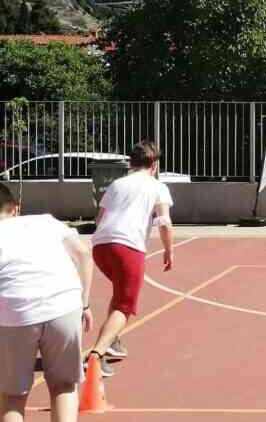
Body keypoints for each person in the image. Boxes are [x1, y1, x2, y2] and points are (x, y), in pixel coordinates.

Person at [0, 182, 94, 422]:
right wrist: (85, 304)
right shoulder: (46, 221)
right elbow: (83, 254)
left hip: (14, 310)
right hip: (63, 303)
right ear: (15, 208)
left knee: (12, 396)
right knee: (64, 386)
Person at [85, 141, 174, 377]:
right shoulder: (157, 187)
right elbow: (163, 221)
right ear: (154, 164)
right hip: (128, 247)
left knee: (119, 293)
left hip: (100, 245)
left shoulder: (116, 184)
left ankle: (112, 341)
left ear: (131, 163)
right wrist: (168, 250)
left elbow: (99, 216)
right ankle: (96, 356)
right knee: (125, 306)